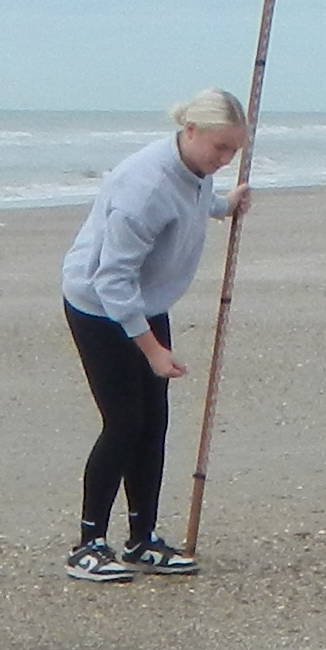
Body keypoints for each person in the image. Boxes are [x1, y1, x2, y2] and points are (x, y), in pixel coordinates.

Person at [55, 88, 248, 580]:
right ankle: (88, 544)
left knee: (153, 424)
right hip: (99, 306)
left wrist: (225, 206)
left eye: (234, 151)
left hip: (144, 301)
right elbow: (110, 279)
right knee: (124, 423)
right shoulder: (143, 187)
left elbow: (194, 197)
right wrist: (153, 351)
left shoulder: (195, 170)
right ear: (190, 131)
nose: (224, 160)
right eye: (220, 148)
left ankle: (142, 539)